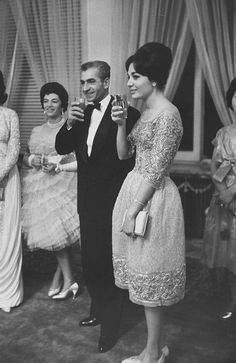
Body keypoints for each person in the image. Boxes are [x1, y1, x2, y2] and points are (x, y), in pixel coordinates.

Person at [55, 60, 140, 352]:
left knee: (109, 263)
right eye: (82, 83)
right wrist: (68, 122)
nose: (86, 88)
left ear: (106, 82)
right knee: (91, 261)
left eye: (91, 82)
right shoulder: (80, 112)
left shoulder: (126, 112)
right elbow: (62, 148)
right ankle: (97, 311)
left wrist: (122, 123)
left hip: (114, 201)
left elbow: (126, 159)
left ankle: (111, 327)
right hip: (86, 200)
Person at [111, 42, 186, 363]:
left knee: (151, 276)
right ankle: (154, 349)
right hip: (136, 191)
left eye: (135, 75)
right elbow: (123, 155)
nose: (129, 82)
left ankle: (153, 353)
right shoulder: (146, 112)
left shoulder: (168, 115)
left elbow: (155, 171)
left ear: (153, 79)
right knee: (142, 277)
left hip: (152, 200)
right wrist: (120, 125)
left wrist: (132, 210)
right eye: (128, 75)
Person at [21, 82, 80, 300]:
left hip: (62, 181)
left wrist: (55, 162)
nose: (49, 105)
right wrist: (31, 159)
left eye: (54, 100)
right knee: (55, 234)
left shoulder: (68, 126)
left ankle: (68, 279)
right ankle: (62, 277)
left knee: (59, 233)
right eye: (45, 101)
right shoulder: (36, 130)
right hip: (39, 185)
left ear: (63, 104)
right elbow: (25, 158)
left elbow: (76, 156)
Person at [202, 78, 236, 320]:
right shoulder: (223, 133)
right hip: (222, 201)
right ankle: (230, 301)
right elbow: (215, 167)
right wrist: (224, 191)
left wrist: (233, 191)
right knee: (226, 254)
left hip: (232, 196)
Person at [0, 70, 23, 313]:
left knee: (7, 233)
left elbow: (14, 149)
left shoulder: (9, 115)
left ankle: (7, 293)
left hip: (7, 178)